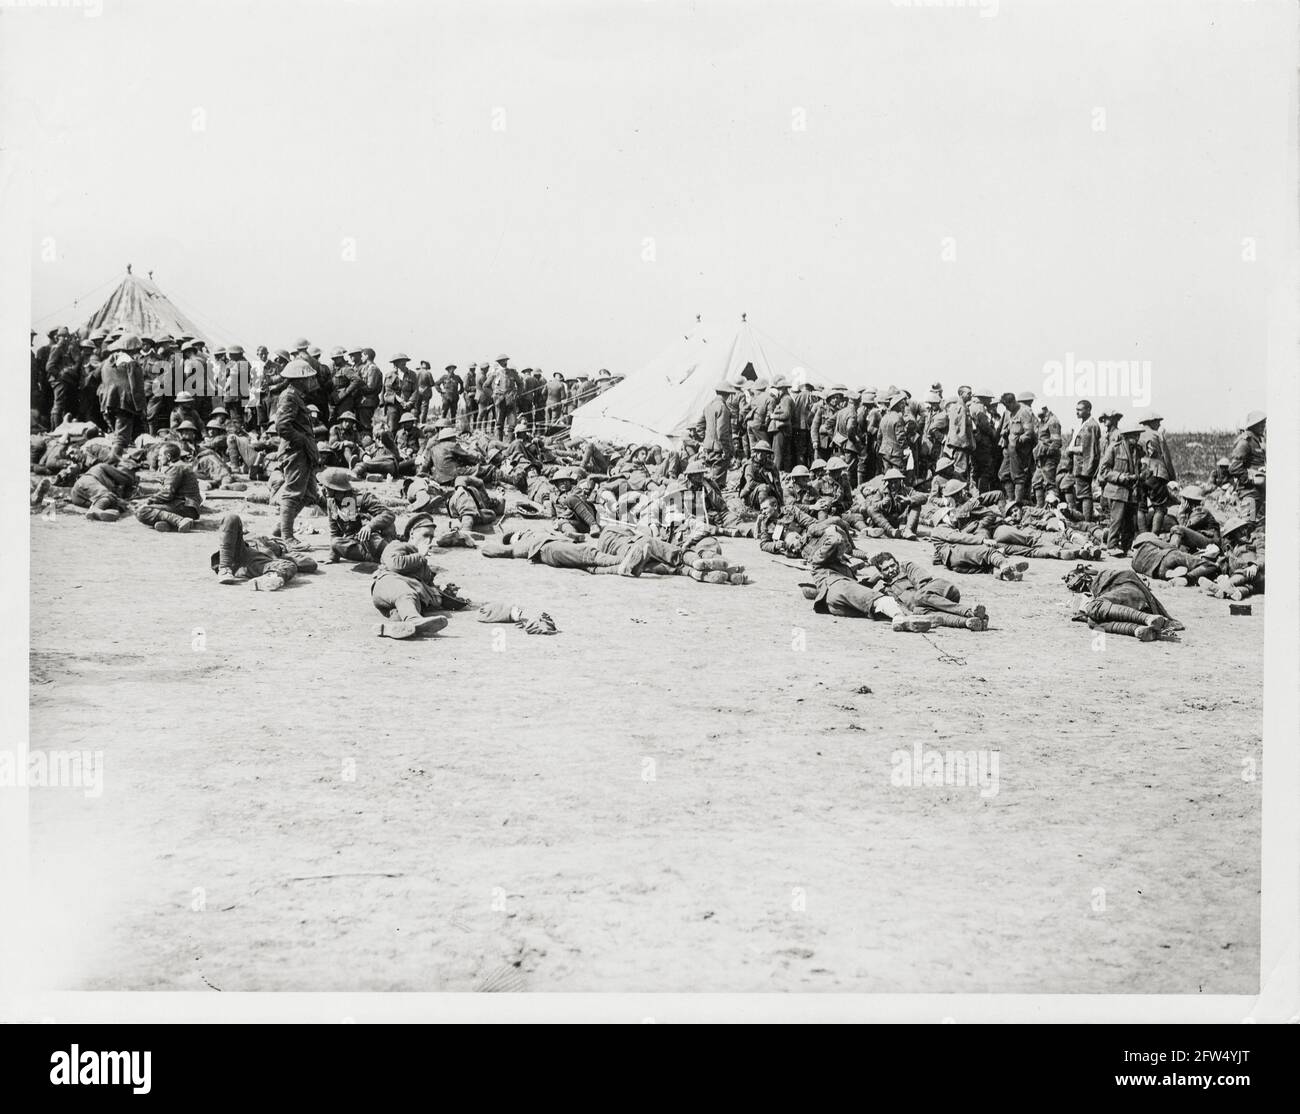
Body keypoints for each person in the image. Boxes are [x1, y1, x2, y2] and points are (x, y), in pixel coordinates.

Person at [799, 523, 933, 632]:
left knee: (874, 609)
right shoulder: (819, 560)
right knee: (877, 599)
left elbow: (857, 591)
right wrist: (832, 530)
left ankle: (907, 621)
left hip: (837, 605)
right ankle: (901, 617)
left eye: (846, 545)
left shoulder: (844, 566)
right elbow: (835, 541)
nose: (844, 547)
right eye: (843, 544)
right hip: (837, 588)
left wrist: (874, 579)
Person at [868, 551, 989, 630]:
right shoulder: (887, 590)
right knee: (922, 613)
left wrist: (919, 602)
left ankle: (968, 612)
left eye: (892, 565)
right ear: (881, 572)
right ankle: (970, 622)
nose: (891, 570)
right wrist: (913, 615)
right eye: (886, 569)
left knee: (920, 596)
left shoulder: (907, 566)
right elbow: (900, 606)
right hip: (929, 606)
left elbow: (923, 583)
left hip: (943, 591)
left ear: (897, 563)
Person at [272, 357, 321, 549]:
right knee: (293, 493)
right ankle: (287, 537)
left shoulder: (296, 396)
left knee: (309, 495)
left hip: (303, 451)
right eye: (308, 378)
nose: (311, 381)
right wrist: (301, 440)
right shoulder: (289, 396)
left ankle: (281, 527)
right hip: (295, 451)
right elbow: (282, 426)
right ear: (300, 380)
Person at [1063, 563, 1180, 641]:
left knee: (1093, 607)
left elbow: (1126, 575)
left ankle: (1147, 618)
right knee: (1092, 621)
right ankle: (1140, 630)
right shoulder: (1095, 592)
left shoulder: (1102, 577)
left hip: (1130, 592)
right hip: (1129, 604)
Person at [212, 513, 319, 591]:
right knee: (232, 518)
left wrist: (284, 552)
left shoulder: (282, 554)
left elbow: (310, 563)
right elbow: (229, 531)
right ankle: (225, 568)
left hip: (256, 562)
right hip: (239, 550)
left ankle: (268, 579)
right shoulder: (250, 536)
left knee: (289, 565)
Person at [318, 466, 395, 562]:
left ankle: (389, 554)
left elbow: (388, 514)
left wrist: (370, 526)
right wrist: (333, 557)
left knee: (369, 538)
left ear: (336, 489)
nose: (322, 489)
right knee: (335, 543)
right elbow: (335, 532)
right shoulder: (331, 502)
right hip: (356, 542)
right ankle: (374, 558)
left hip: (376, 538)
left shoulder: (362, 498)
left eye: (326, 487)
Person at [1099, 419, 1143, 556]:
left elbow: (1141, 468)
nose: (1137, 438)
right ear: (1127, 436)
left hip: (1132, 491)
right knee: (1116, 519)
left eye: (1138, 435)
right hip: (1117, 490)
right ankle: (1111, 546)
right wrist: (1121, 477)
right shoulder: (1114, 448)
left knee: (1130, 521)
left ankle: (1126, 547)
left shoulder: (1139, 451)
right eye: (1134, 435)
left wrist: (1143, 474)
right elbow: (1104, 471)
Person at [98, 332, 147, 455]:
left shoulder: (108, 362)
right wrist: (140, 407)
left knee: (115, 433)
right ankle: (114, 460)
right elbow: (136, 387)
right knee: (121, 437)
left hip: (107, 401)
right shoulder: (132, 363)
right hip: (124, 402)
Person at [135, 441, 201, 532]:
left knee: (142, 511)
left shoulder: (176, 468)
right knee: (150, 509)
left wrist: (148, 501)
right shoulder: (181, 466)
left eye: (161, 455)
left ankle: (179, 521)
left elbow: (167, 494)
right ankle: (168, 523)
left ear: (168, 457)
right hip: (188, 507)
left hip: (185, 507)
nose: (159, 458)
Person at [1136, 410, 1176, 533]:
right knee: (1160, 508)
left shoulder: (1137, 436)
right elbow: (1166, 457)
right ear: (1151, 422)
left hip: (1140, 472)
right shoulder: (1158, 435)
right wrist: (1172, 476)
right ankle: (1154, 535)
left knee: (1141, 507)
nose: (1159, 424)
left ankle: (1143, 535)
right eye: (1157, 422)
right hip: (1156, 472)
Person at [1066, 399, 1102, 521]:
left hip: (1084, 466)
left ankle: (1087, 522)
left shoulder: (1090, 425)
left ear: (1088, 410)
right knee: (1081, 493)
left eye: (1080, 410)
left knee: (1085, 494)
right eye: (1076, 409)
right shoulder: (1084, 424)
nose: (1077, 412)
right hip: (1080, 465)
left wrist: (1071, 449)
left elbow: (1088, 448)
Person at [1228, 410, 1266, 523]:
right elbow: (1234, 468)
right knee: (1246, 526)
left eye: (1264, 423)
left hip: (1258, 493)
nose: (1263, 426)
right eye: (1260, 423)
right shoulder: (1245, 442)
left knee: (1255, 525)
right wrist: (1251, 479)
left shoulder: (1257, 442)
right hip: (1249, 493)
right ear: (1253, 425)